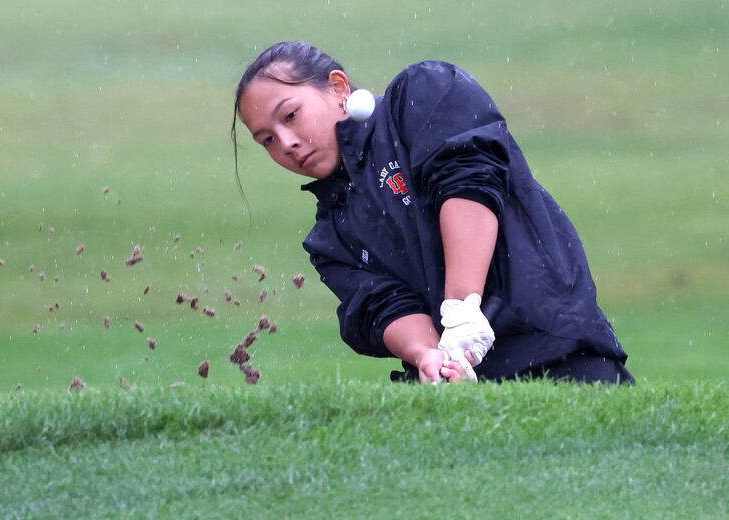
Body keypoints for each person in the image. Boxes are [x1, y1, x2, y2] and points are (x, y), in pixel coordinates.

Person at [232, 41, 634, 385]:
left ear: (337, 87)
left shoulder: (422, 93)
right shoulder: (330, 239)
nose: (286, 143)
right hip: (466, 390)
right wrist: (432, 358)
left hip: (560, 351)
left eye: (290, 116)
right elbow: (383, 306)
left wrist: (462, 309)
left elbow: (467, 181)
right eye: (267, 139)